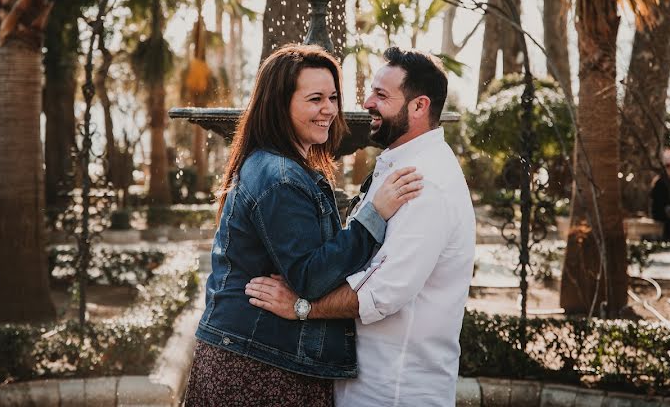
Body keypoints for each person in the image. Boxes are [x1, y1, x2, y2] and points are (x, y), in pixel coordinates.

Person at [183, 44, 422, 407]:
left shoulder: (279, 166)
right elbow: (310, 277)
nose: (328, 109)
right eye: (315, 99)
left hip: (255, 352)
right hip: (257, 367)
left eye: (332, 97)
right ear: (281, 105)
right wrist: (376, 213)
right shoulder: (281, 178)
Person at [246, 47, 476, 406]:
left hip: (396, 390)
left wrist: (301, 307)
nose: (366, 102)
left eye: (381, 95)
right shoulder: (400, 167)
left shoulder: (426, 184)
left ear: (419, 106)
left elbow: (381, 293)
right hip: (367, 384)